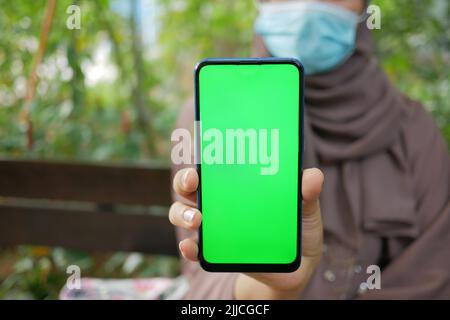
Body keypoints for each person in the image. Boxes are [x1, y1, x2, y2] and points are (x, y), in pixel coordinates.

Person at [170, 0, 450, 299]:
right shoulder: (209, 116)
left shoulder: (413, 128)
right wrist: (272, 289)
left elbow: (434, 274)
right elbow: (209, 288)